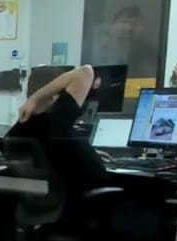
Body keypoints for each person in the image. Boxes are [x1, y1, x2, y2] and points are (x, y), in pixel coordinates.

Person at [8, 64, 110, 196]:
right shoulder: (58, 118)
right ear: (54, 94)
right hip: (90, 199)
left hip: (44, 204)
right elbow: (86, 72)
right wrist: (34, 99)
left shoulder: (21, 128)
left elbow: (55, 153)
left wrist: (89, 153)